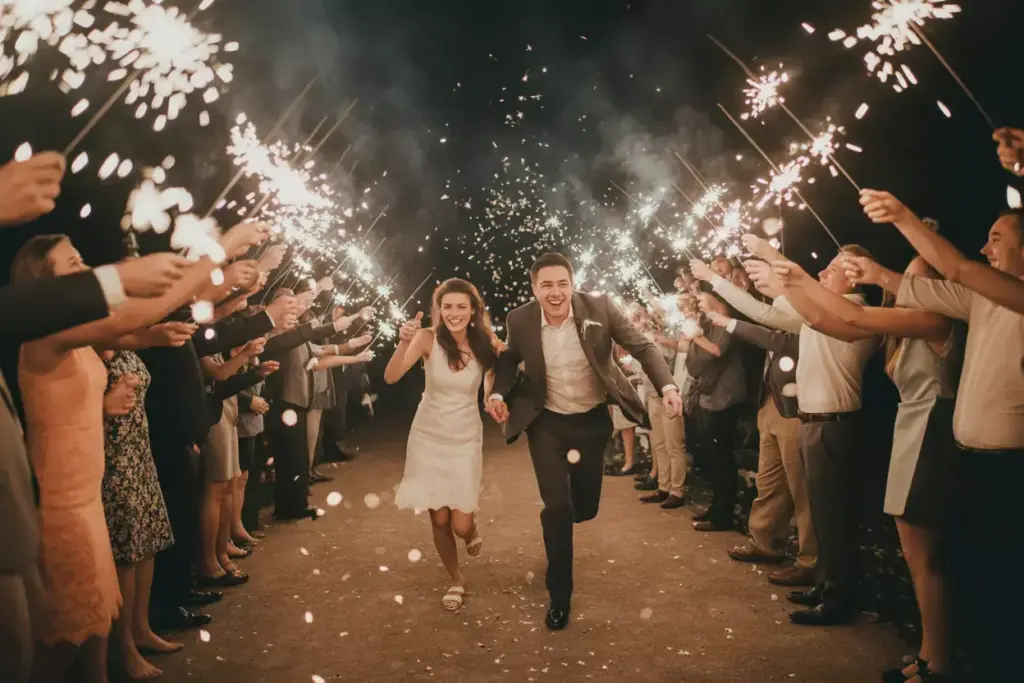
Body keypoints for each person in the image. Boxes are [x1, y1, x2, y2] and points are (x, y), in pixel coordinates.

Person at [10, 234, 218, 683]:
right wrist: (219, 253)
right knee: (65, 635)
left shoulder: (74, 335)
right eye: (73, 263)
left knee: (97, 615)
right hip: (61, 497)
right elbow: (133, 315)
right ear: (43, 283)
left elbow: (123, 331)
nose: (85, 267)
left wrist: (152, 336)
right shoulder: (45, 332)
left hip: (87, 491)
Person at [850, 194, 1024, 683]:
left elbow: (960, 269)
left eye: (997, 239)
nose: (985, 249)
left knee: (1003, 591)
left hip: (1010, 470)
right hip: (973, 461)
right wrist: (876, 273)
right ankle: (954, 661)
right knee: (975, 581)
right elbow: (929, 285)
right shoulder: (980, 300)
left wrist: (902, 217)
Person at [773, 254, 963, 683]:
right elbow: (836, 321)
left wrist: (794, 275)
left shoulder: (933, 321)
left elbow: (850, 318)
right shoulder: (904, 327)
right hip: (911, 426)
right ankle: (930, 653)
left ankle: (938, 661)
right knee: (918, 557)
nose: (902, 284)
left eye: (912, 278)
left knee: (927, 559)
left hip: (930, 428)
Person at [486, 253, 681, 631]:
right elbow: (509, 360)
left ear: (572, 284)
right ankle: (559, 596)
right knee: (557, 508)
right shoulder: (519, 319)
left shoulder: (600, 308)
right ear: (534, 289)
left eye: (562, 283)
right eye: (546, 285)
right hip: (546, 424)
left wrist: (668, 386)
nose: (555, 292)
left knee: (584, 508)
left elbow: (643, 347)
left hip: (591, 422)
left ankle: (572, 515)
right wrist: (497, 393)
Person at [383, 278, 500, 611]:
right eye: (447, 307)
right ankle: (455, 580)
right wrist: (402, 342)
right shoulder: (426, 338)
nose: (454, 313)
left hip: (465, 437)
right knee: (439, 519)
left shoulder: (486, 342)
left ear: (473, 310)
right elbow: (391, 377)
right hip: (428, 436)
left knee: (460, 524)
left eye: (461, 306)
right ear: (439, 310)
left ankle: (471, 530)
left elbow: (497, 377)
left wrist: (493, 398)